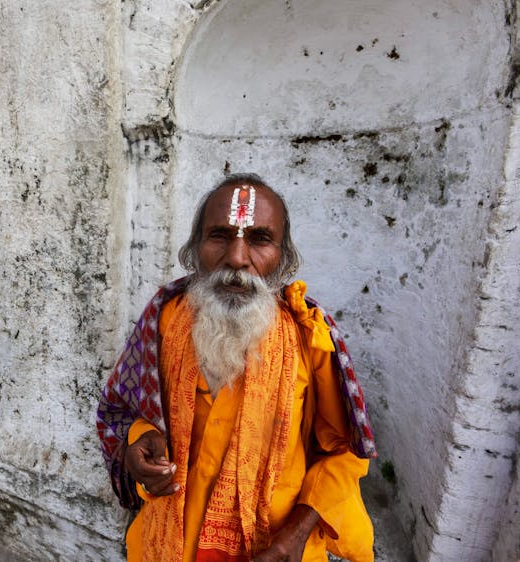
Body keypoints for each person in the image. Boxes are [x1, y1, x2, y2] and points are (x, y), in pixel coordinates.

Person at [97, 173, 376, 562]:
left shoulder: (309, 337)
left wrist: (297, 532)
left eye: (260, 239)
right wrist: (137, 441)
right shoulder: (163, 320)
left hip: (271, 549)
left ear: (283, 256)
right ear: (196, 249)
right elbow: (123, 409)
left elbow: (346, 451)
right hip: (163, 544)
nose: (237, 258)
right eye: (219, 236)